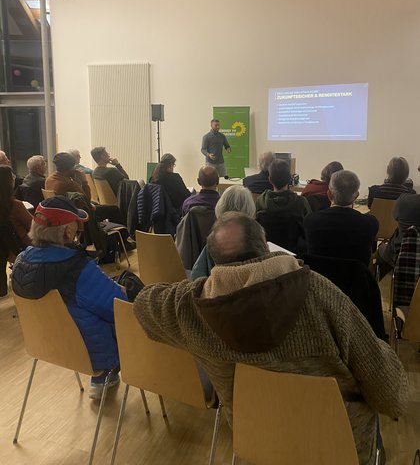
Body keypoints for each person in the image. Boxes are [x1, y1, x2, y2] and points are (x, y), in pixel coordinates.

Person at [133, 212, 408, 465]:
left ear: (213, 260)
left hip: (257, 443)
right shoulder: (321, 292)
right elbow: (390, 395)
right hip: (339, 447)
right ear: (265, 247)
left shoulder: (190, 306)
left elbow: (144, 303)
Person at [11, 196, 127, 399]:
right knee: (127, 299)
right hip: (92, 353)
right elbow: (118, 307)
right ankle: (106, 375)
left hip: (45, 346)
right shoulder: (78, 268)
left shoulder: (20, 263)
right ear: (68, 231)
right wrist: (121, 289)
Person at [303, 170, 379, 267]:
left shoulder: (310, 221)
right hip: (356, 276)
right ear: (356, 196)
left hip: (319, 275)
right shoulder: (370, 223)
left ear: (329, 194)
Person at [190, 185, 255, 279]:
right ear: (251, 209)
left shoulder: (214, 242)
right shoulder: (257, 241)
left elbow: (196, 276)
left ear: (221, 206)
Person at [0, 165, 33, 296]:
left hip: (4, 249)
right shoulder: (15, 205)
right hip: (18, 247)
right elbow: (34, 226)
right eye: (12, 177)